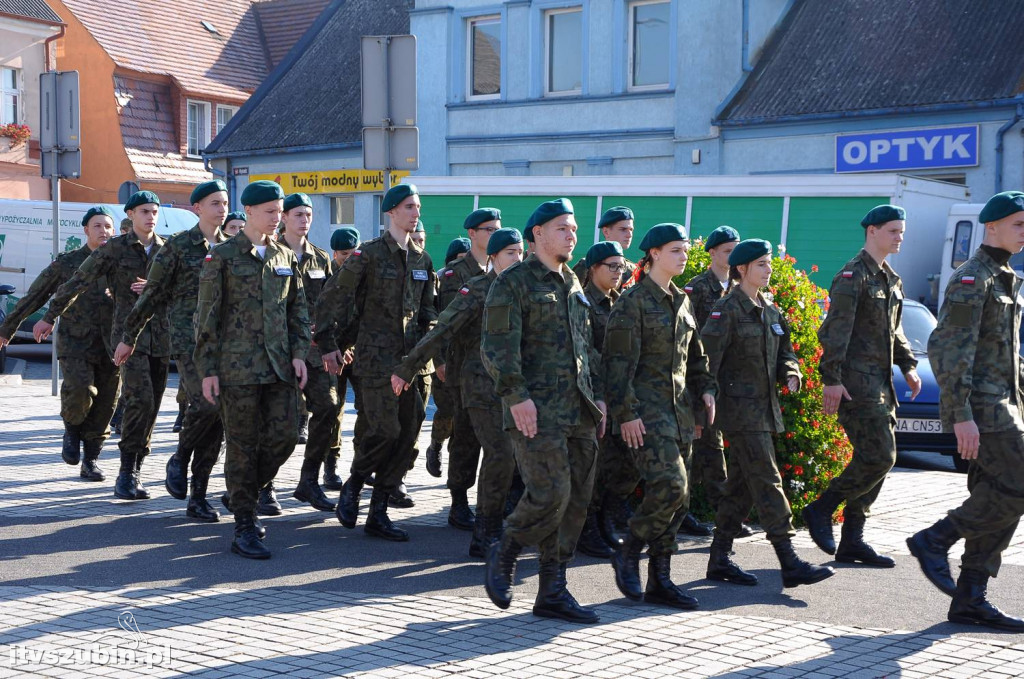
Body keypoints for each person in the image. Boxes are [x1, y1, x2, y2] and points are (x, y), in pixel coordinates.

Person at [481, 198, 607, 624]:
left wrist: (599, 396)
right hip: (536, 411)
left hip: (579, 411)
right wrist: (516, 397)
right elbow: (496, 347)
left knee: (575, 502)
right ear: (537, 234)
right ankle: (506, 549)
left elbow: (585, 349)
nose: (571, 235)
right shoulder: (513, 283)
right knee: (550, 492)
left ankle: (553, 588)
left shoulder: (573, 281)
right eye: (561, 228)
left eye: (573, 228)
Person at [907, 191, 1024, 631]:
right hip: (984, 408)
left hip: (1006, 405)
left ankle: (971, 597)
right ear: (991, 226)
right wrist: (959, 415)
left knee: (1000, 498)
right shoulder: (972, 278)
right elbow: (949, 351)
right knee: (1017, 486)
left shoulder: (1006, 277)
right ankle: (934, 539)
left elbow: (1006, 355)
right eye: (1018, 223)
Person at [701, 239, 834, 589]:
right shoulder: (725, 310)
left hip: (765, 410)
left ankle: (719, 559)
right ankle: (789, 560)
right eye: (761, 264)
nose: (768, 269)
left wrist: (792, 372)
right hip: (739, 412)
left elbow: (784, 352)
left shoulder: (770, 310)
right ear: (742, 269)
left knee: (741, 487)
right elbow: (705, 363)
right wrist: (704, 404)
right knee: (767, 479)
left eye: (769, 263)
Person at [194, 180, 310, 559]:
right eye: (271, 212)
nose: (278, 218)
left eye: (280, 211)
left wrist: (297, 353)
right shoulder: (223, 256)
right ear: (251, 212)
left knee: (285, 437)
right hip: (237, 370)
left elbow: (297, 309)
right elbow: (206, 317)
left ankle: (239, 492)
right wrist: (208, 370)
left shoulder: (283, 255)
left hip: (278, 367)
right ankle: (244, 524)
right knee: (242, 448)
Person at [392, 228, 525, 557]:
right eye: (510, 253)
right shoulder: (477, 290)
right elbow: (443, 329)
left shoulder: (526, 290)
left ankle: (494, 516)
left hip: (513, 388)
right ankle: (478, 522)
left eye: (520, 252)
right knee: (492, 450)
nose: (517, 259)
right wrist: (409, 367)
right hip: (477, 383)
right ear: (493, 257)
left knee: (498, 451)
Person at [316, 183, 437, 542]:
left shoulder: (422, 259)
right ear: (391, 213)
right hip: (374, 361)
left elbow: (428, 311)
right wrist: (327, 342)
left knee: (408, 436)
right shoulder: (367, 255)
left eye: (417, 207)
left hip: (410, 364)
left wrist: (426, 348)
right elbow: (333, 297)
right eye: (409, 207)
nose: (415, 213)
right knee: (384, 431)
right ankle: (354, 485)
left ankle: (379, 512)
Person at [604, 224, 716, 610]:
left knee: (679, 500)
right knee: (670, 486)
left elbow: (696, 358)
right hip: (646, 415)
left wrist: (706, 392)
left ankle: (660, 580)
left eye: (685, 250)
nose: (683, 256)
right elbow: (616, 367)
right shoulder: (631, 302)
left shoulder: (682, 301)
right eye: (674, 250)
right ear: (652, 254)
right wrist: (626, 415)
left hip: (681, 414)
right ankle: (629, 549)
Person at [803, 205, 921, 566]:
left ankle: (852, 540)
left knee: (877, 461)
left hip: (882, 384)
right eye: (892, 231)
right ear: (872, 231)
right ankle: (821, 509)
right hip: (856, 383)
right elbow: (834, 332)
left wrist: (908, 365)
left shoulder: (890, 279)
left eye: (901, 231)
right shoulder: (853, 276)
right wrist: (831, 379)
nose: (899, 237)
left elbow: (894, 331)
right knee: (880, 457)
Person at [40, 191, 170, 501]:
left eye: (154, 211)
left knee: (140, 408)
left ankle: (118, 464)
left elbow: (189, 289)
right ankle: (123, 471)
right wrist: (48, 317)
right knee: (134, 401)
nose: (150, 216)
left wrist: (157, 288)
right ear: (131, 215)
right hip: (122, 340)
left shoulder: (168, 251)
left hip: (161, 339)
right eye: (143, 211)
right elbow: (77, 281)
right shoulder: (113, 250)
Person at [115, 181, 229, 522]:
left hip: (227, 343)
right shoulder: (178, 248)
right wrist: (129, 335)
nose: (221, 209)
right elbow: (151, 294)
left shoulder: (234, 248)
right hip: (188, 341)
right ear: (197, 208)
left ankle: (198, 495)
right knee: (207, 405)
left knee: (219, 418)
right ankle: (179, 457)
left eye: (224, 203)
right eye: (214, 203)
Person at [0, 207, 118, 481]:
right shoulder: (68, 263)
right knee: (79, 391)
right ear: (86, 230)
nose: (103, 231)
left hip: (112, 344)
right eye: (97, 225)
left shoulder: (120, 262)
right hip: (76, 341)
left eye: (108, 226)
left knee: (106, 404)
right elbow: (36, 294)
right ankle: (72, 429)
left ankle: (91, 460)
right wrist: (8, 328)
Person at [434, 210, 501, 530]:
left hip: (498, 372)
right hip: (464, 369)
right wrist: (441, 362)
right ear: (473, 233)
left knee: (497, 440)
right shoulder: (454, 275)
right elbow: (444, 324)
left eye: (497, 229)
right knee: (465, 436)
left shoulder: (503, 269)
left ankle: (491, 502)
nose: (494, 234)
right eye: (489, 229)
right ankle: (458, 501)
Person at [574, 240, 639, 559]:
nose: (618, 272)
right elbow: (587, 354)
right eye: (611, 266)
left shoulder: (621, 302)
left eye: (622, 266)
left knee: (622, 464)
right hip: (592, 398)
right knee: (594, 469)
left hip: (620, 397)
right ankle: (587, 529)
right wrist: (598, 395)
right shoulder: (582, 303)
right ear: (593, 269)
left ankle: (606, 521)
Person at [277, 192, 339, 514]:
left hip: (313, 352)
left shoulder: (320, 258)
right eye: (298, 214)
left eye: (309, 215)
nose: (305, 220)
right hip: (278, 352)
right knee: (281, 424)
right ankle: (261, 485)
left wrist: (332, 346)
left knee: (328, 408)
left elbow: (327, 308)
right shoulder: (270, 254)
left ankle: (309, 480)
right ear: (284, 217)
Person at [680, 225, 744, 538]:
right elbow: (688, 341)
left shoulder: (739, 287)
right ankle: (690, 513)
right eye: (728, 251)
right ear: (713, 253)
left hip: (728, 384)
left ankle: (722, 515)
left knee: (717, 450)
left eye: (736, 250)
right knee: (702, 448)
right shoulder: (696, 288)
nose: (732, 257)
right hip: (700, 382)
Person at [424, 235, 472, 483]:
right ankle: (435, 445)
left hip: (471, 361)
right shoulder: (442, 280)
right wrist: (439, 360)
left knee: (465, 419)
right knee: (447, 410)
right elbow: (435, 323)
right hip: (446, 356)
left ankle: (457, 472)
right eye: (459, 260)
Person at [323, 226, 361, 491]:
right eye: (343, 254)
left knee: (368, 411)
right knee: (334, 410)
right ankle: (330, 465)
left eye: (352, 253)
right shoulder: (328, 277)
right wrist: (338, 347)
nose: (347, 259)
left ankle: (362, 465)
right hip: (334, 354)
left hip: (359, 354)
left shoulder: (365, 277)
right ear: (334, 253)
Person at [573, 206, 637, 288]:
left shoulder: (632, 269)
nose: (629, 235)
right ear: (606, 232)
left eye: (631, 230)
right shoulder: (588, 265)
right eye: (623, 229)